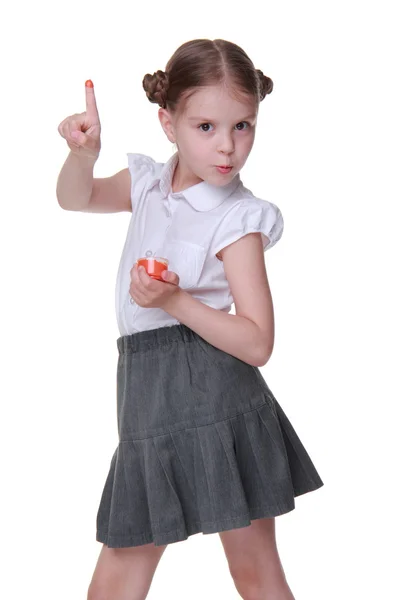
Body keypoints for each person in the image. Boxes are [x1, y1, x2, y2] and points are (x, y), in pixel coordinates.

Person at [57, 38, 323, 600]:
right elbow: (75, 199)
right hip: (145, 394)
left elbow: (257, 343)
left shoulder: (238, 218)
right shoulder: (150, 183)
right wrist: (84, 154)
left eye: (243, 126)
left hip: (217, 397)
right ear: (167, 121)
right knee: (120, 570)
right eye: (206, 126)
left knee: (252, 570)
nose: (228, 147)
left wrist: (174, 301)